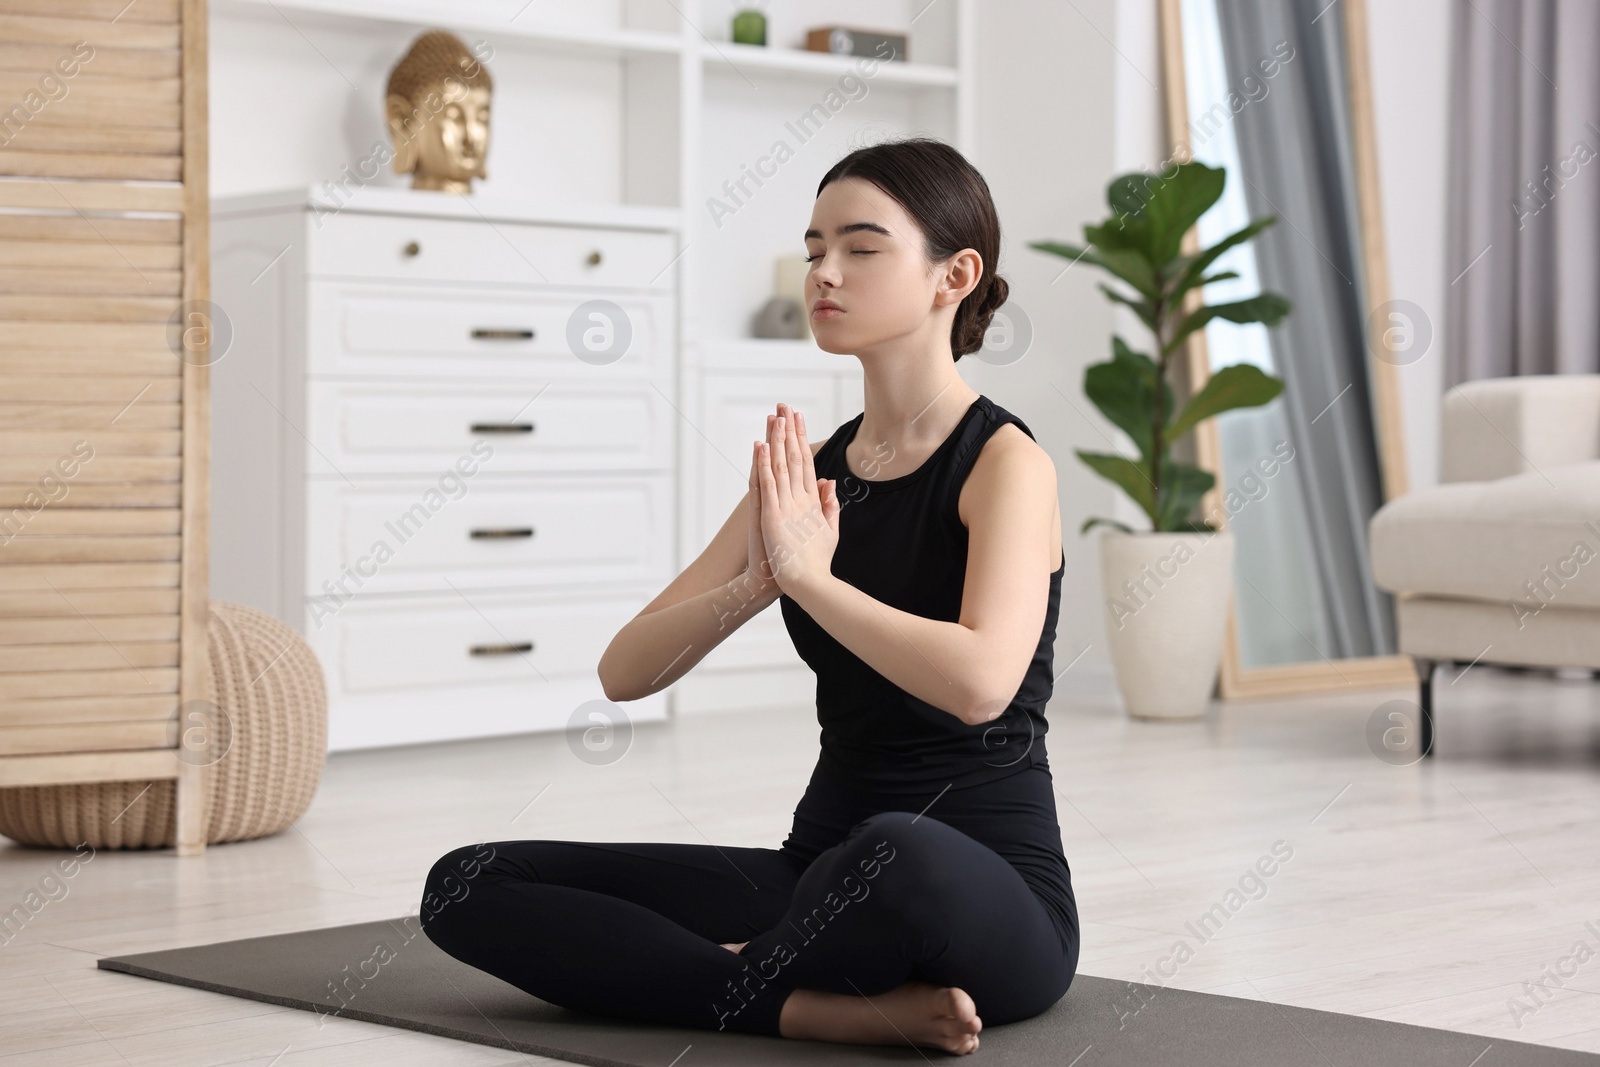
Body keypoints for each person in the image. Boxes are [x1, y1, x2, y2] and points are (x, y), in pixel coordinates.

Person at [420, 136, 1077, 1055]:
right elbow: (624, 671)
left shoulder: (1006, 464)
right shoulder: (805, 475)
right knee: (468, 881)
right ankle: (795, 1000)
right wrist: (762, 580)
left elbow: (979, 684)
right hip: (813, 874)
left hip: (975, 888)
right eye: (814, 251)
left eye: (860, 246)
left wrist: (811, 578)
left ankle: (728, 972)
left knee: (896, 849)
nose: (825, 273)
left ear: (953, 274)